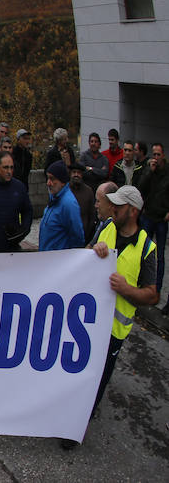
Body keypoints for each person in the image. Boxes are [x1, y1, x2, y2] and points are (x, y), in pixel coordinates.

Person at [81, 185, 158, 448]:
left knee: (98, 380)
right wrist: (95, 251)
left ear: (133, 211)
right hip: (88, 322)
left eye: (119, 206)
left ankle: (80, 421)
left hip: (114, 332)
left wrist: (127, 290)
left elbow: (152, 295)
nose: (112, 208)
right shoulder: (107, 227)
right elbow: (84, 255)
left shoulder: (148, 247)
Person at [137, 142, 169, 295]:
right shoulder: (149, 169)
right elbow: (141, 189)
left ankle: (157, 289)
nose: (156, 157)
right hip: (148, 216)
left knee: (160, 256)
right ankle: (142, 284)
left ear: (163, 155)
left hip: (161, 218)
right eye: (154, 154)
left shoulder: (167, 172)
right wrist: (150, 172)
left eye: (158, 154)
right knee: (143, 251)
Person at [39, 161, 85, 251]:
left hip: (58, 260)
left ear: (62, 182)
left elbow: (77, 237)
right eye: (47, 178)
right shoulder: (55, 197)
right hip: (47, 258)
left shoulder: (69, 204)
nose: (48, 183)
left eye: (52, 179)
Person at [68, 162, 97, 244]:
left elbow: (92, 215)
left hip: (84, 235)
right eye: (74, 172)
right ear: (70, 174)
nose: (76, 175)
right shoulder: (64, 190)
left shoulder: (88, 191)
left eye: (79, 173)